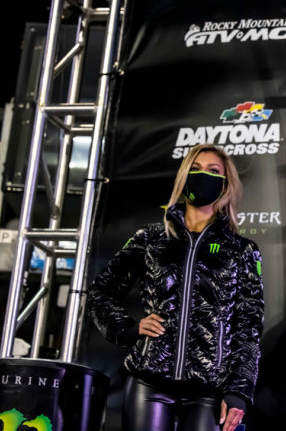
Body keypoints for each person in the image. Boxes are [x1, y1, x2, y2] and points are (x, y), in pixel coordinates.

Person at [88, 144, 264, 431]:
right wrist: (128, 329)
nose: (203, 176)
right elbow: (101, 293)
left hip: (210, 389)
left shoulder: (241, 250)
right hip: (149, 382)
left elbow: (249, 325)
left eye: (213, 171)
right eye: (195, 169)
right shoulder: (151, 238)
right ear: (183, 177)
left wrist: (239, 390)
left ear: (226, 183)